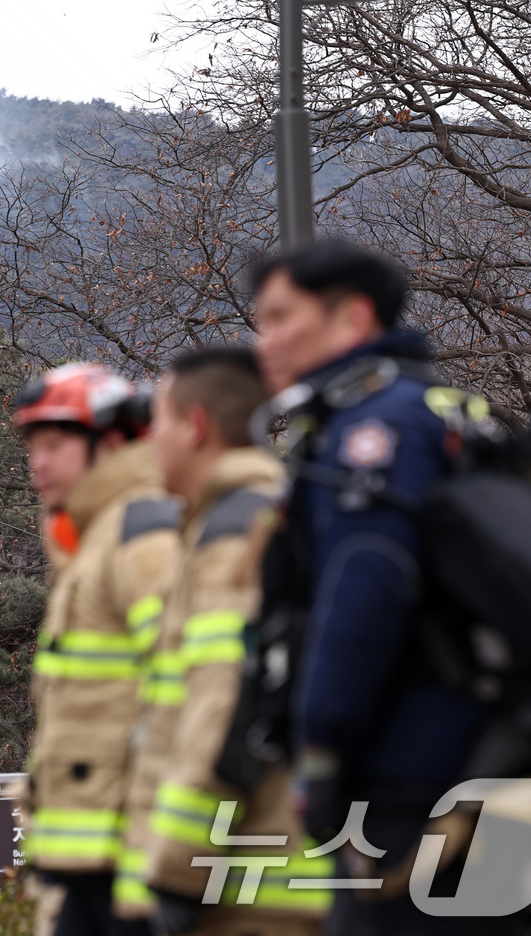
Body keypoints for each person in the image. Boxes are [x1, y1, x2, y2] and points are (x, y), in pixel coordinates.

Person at [249, 240, 505, 934]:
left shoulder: (375, 427)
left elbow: (368, 587)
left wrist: (320, 747)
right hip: (484, 752)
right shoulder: (442, 408)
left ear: (351, 318)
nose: (262, 339)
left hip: (410, 772)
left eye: (278, 317)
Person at [115, 347, 330, 936]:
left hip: (243, 887)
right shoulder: (229, 521)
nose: (149, 441)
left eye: (158, 423)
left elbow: (225, 705)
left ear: (197, 426)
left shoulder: (237, 532)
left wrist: (179, 871)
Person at [12, 363, 182, 936]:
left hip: (132, 860)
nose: (38, 463)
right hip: (90, 856)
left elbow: (189, 687)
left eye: (55, 444)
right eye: (32, 445)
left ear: (110, 442)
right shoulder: (92, 538)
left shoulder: (142, 533)